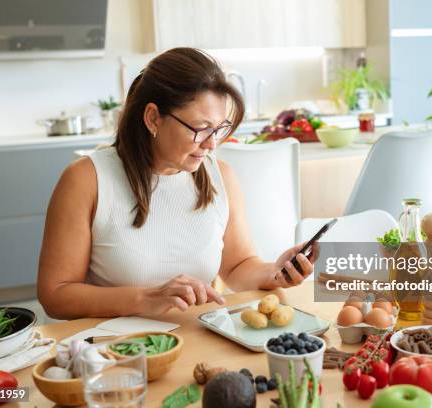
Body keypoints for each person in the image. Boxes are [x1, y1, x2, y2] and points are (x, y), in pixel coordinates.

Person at [37, 48, 315, 320]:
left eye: (217, 129)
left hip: (196, 337)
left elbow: (238, 266)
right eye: (200, 128)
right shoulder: (86, 179)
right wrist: (146, 299)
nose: (211, 144)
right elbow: (55, 295)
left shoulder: (222, 177)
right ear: (153, 118)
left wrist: (274, 272)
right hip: (115, 352)